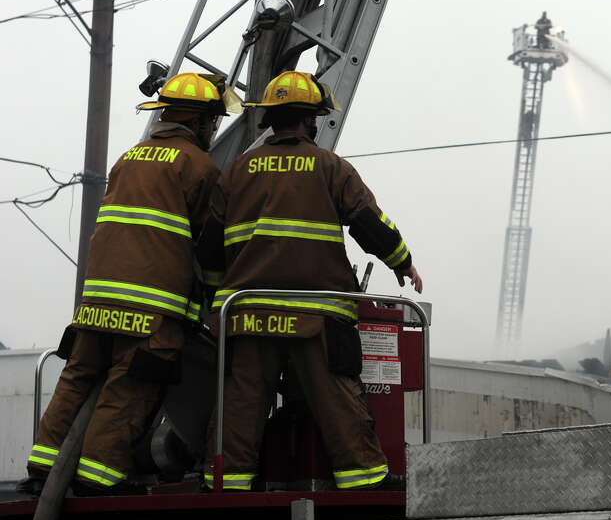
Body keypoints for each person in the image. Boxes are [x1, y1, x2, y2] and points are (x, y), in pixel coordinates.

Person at [200, 70, 422, 492]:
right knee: (338, 399)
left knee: (241, 405)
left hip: (248, 316)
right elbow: (366, 221)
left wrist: (215, 299)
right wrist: (401, 261)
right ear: (309, 120)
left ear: (271, 119)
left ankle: (226, 486)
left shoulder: (237, 171)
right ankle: (364, 480)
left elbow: (211, 242)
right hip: (316, 315)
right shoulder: (328, 167)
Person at [21, 73, 228, 495]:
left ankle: (42, 469)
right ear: (202, 122)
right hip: (151, 311)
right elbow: (209, 246)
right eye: (213, 122)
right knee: (128, 388)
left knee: (77, 378)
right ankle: (98, 479)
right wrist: (217, 298)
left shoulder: (129, 158)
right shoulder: (200, 167)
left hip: (96, 303)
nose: (214, 130)